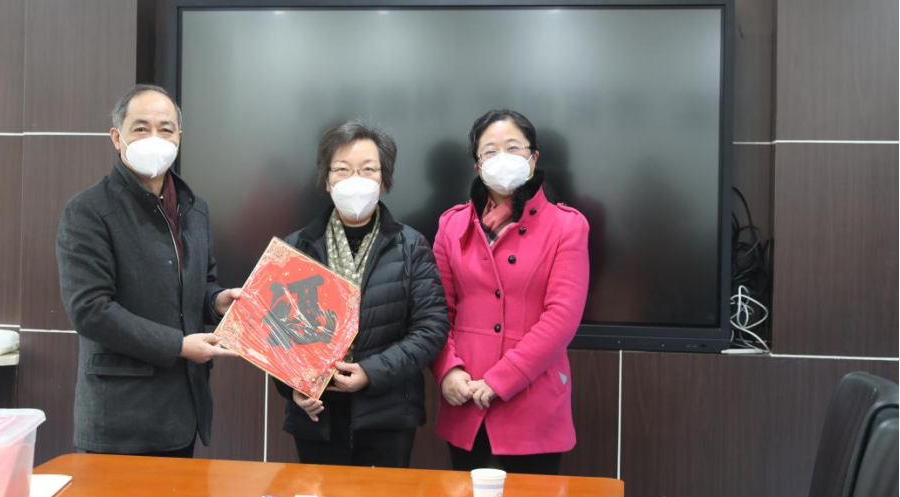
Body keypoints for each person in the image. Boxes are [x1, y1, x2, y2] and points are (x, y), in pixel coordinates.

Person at [57, 84, 241, 456]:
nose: (155, 138)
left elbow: (199, 283)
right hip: (121, 420)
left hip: (184, 412)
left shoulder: (195, 209)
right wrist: (178, 346)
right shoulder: (88, 211)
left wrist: (216, 301)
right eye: (141, 128)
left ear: (179, 138)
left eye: (165, 129)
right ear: (117, 137)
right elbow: (90, 310)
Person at [274, 120, 449, 468]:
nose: (355, 179)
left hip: (388, 414)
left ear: (384, 181)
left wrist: (370, 372)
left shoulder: (411, 246)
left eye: (368, 169)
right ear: (327, 180)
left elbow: (432, 328)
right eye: (342, 169)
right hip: (317, 416)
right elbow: (274, 334)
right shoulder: (295, 247)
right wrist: (293, 389)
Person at [431, 109, 589, 475]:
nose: (502, 157)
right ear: (477, 165)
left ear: (534, 158)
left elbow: (561, 318)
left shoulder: (566, 226)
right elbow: (437, 312)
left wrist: (501, 379)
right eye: (490, 150)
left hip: (532, 400)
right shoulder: (451, 225)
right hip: (466, 397)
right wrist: (447, 370)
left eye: (513, 147)